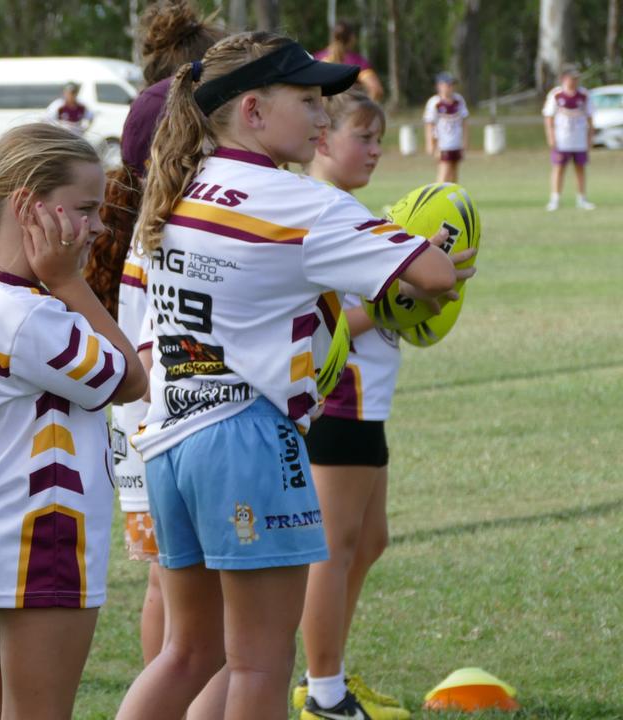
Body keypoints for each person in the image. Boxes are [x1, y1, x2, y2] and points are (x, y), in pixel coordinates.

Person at [113, 33, 466, 720]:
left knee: (188, 653)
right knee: (259, 662)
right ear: (251, 109)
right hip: (244, 438)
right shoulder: (297, 201)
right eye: (307, 100)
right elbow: (434, 274)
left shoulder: (180, 183)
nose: (322, 119)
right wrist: (445, 247)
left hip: (169, 437)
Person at [0, 122, 147, 720]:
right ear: (29, 206)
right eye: (87, 209)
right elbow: (130, 378)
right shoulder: (29, 313)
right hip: (37, 541)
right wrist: (70, 281)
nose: (97, 226)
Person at [295, 88, 474, 720]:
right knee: (334, 549)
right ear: (322, 140)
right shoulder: (319, 212)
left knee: (369, 541)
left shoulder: (351, 209)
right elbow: (329, 315)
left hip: (370, 401)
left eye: (379, 139)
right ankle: (323, 693)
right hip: (338, 400)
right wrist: (402, 298)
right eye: (362, 138)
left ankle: (331, 674)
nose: (375, 150)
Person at [82, 0, 223, 668]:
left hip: (138, 428)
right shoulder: (180, 233)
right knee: (195, 591)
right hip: (177, 421)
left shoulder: (133, 231)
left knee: (167, 583)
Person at [543, 66, 596, 211]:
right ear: (564, 78)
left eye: (577, 78)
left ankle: (581, 199)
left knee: (580, 168)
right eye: (572, 78)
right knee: (559, 168)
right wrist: (551, 136)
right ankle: (555, 199)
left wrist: (590, 137)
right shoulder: (556, 95)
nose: (575, 80)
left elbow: (590, 118)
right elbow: (549, 117)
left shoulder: (584, 95)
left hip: (579, 139)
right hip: (562, 139)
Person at [314, 20, 384, 102]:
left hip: (321, 112)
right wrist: (365, 109)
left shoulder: (316, 59)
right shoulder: (357, 62)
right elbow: (376, 90)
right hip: (348, 113)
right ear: (352, 38)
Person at [423, 72, 469, 183]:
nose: (450, 87)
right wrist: (431, 144)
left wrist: (465, 142)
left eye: (452, 85)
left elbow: (464, 121)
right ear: (439, 86)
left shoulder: (459, 100)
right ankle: (437, 197)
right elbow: (429, 124)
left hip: (456, 142)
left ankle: (452, 198)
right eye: (447, 84)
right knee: (444, 173)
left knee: (454, 174)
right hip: (443, 144)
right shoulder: (435, 103)